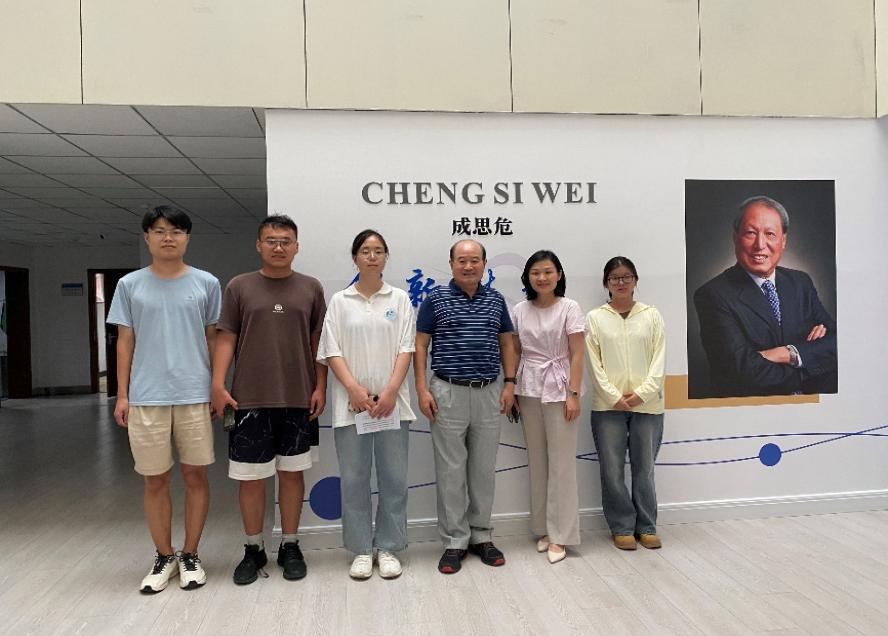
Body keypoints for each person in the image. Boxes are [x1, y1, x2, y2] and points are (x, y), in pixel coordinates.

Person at [107, 205, 221, 593]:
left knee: (195, 476)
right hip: (146, 396)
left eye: (176, 231)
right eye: (159, 231)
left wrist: (217, 386)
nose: (168, 237)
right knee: (155, 479)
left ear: (187, 238)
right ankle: (163, 555)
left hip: (194, 393)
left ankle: (190, 554)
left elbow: (213, 339)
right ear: (147, 238)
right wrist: (123, 394)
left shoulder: (206, 283)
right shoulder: (129, 285)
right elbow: (125, 341)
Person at [211, 214, 327, 585]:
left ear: (297, 246)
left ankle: (290, 545)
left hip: (298, 398)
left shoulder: (311, 288)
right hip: (248, 400)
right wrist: (218, 384)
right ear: (259, 245)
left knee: (292, 475)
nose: (279, 247)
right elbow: (226, 336)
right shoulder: (239, 286)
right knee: (251, 479)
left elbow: (319, 343)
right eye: (271, 240)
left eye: (285, 241)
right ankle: (253, 548)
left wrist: (320, 386)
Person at [316, 229, 416, 580]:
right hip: (352, 406)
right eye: (365, 251)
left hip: (392, 405)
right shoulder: (340, 301)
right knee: (354, 479)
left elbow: (406, 348)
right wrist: (354, 390)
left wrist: (390, 391)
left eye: (378, 251)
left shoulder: (399, 299)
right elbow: (332, 349)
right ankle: (360, 548)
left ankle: (388, 546)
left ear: (386, 257)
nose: (372, 256)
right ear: (355, 257)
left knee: (394, 478)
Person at [414, 239, 518, 574]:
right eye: (462, 260)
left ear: (484, 264)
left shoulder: (495, 300)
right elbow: (420, 345)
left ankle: (481, 536)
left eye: (474, 260)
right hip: (447, 392)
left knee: (483, 471)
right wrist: (422, 389)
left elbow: (507, 342)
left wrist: (510, 384)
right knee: (451, 472)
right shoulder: (436, 299)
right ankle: (454, 540)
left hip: (489, 392)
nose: (468, 266)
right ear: (451, 264)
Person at [693, 196, 837, 398]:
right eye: (751, 233)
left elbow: (837, 343)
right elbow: (741, 372)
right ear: (735, 237)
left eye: (770, 234)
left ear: (783, 240)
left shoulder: (800, 282)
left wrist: (788, 353)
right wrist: (812, 361)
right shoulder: (712, 295)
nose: (760, 245)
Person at [585, 256, 665, 551]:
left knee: (645, 469)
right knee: (612, 469)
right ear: (606, 283)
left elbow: (659, 360)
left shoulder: (651, 315)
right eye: (615, 278)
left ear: (635, 281)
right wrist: (614, 396)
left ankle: (647, 526)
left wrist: (642, 394)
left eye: (626, 277)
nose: (621, 282)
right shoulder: (595, 318)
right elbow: (594, 364)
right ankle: (622, 526)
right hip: (608, 408)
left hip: (648, 406)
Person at [511, 250, 585, 564]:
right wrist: (512, 387)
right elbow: (515, 351)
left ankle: (561, 534)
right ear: (528, 277)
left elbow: (578, 353)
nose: (542, 278)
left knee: (562, 464)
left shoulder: (569, 307)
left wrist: (573, 393)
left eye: (547, 271)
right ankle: (544, 528)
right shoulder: (520, 310)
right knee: (538, 461)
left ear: (559, 275)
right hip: (528, 387)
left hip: (560, 388)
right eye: (535, 272)